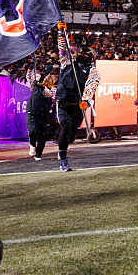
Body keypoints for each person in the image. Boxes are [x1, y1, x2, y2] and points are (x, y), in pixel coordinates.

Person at [54, 22, 101, 171]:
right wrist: (62, 33)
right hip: (63, 101)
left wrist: (86, 100)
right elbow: (62, 48)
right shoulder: (67, 62)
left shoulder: (93, 71)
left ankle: (64, 146)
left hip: (77, 105)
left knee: (72, 134)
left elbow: (91, 86)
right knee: (66, 127)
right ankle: (63, 159)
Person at [26, 70, 56, 160]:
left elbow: (49, 94)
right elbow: (29, 78)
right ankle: (32, 145)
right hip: (33, 113)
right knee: (32, 131)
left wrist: (41, 86)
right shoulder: (35, 86)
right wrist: (30, 69)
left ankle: (38, 154)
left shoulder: (52, 89)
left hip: (44, 115)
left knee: (42, 135)